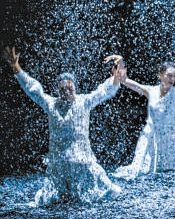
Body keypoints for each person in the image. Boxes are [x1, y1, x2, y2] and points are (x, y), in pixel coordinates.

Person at [2, 46, 124, 205]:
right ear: (57, 91)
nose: (66, 92)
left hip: (83, 161)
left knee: (109, 191)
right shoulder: (51, 104)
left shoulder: (84, 102)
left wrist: (118, 69)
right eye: (62, 89)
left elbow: (105, 91)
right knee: (53, 201)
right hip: (59, 163)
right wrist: (16, 67)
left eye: (70, 88)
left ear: (75, 88)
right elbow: (33, 89)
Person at [110, 59, 175, 180]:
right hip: (150, 136)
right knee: (141, 173)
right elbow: (126, 81)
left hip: (170, 137)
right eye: (169, 75)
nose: (172, 79)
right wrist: (121, 67)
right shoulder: (151, 91)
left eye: (174, 76)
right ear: (160, 75)